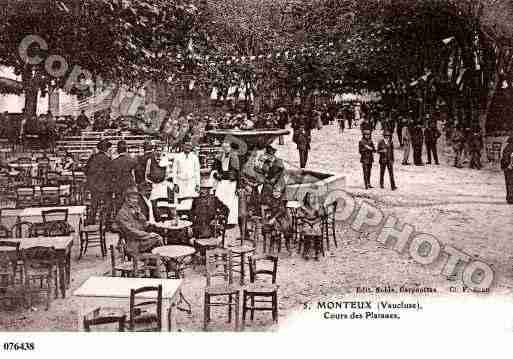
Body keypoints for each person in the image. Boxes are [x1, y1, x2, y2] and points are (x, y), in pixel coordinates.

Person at [115, 183, 164, 256]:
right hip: (133, 244)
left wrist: (140, 215)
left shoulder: (135, 210)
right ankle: (155, 260)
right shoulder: (122, 213)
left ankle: (155, 261)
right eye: (133, 198)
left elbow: (144, 225)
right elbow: (131, 231)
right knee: (158, 239)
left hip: (140, 240)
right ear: (126, 199)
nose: (135, 201)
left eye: (136, 199)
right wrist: (149, 235)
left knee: (158, 235)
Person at [211, 140, 240, 226]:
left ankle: (230, 221)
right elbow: (216, 168)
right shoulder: (221, 156)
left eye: (227, 147)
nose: (226, 149)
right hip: (222, 182)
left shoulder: (234, 157)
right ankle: (222, 219)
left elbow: (237, 172)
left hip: (231, 183)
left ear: (230, 148)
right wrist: (216, 174)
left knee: (230, 201)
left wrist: (237, 185)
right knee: (220, 198)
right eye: (224, 147)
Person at [84, 139, 113, 223]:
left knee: (94, 204)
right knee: (108, 204)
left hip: (93, 185)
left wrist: (91, 179)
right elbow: (110, 173)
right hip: (104, 186)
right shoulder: (107, 159)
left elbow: (86, 170)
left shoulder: (93, 157)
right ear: (106, 149)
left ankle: (91, 220)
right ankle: (106, 222)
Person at [111, 140, 138, 214]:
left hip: (118, 186)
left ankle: (119, 221)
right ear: (126, 149)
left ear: (117, 150)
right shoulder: (132, 160)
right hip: (129, 184)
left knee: (119, 205)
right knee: (131, 205)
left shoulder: (114, 162)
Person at [298, 191, 324, 260]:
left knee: (317, 230)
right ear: (306, 199)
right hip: (307, 222)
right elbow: (302, 217)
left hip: (316, 222)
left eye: (311, 198)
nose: (309, 199)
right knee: (307, 230)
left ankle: (317, 252)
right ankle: (307, 252)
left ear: (314, 198)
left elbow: (320, 217)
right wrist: (309, 222)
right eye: (308, 198)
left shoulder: (318, 206)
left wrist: (314, 222)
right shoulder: (303, 207)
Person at [173, 142, 200, 206]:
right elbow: (174, 171)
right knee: (181, 200)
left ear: (191, 147)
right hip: (180, 182)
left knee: (191, 200)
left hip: (191, 182)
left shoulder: (195, 157)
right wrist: (175, 184)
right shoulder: (178, 157)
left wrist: (197, 184)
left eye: (189, 146)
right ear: (183, 146)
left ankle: (190, 215)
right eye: (186, 146)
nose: (187, 147)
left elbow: (197, 171)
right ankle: (181, 214)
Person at [501, 136, 513, 204]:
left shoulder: (507, 147)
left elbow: (504, 158)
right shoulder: (508, 148)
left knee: (509, 183)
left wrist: (505, 166)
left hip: (509, 168)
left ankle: (510, 198)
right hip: (509, 167)